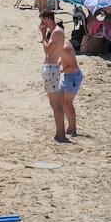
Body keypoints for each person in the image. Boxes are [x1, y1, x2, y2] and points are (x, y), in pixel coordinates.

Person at [40, 11, 68, 143]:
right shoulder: (57, 31)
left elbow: (47, 49)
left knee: (55, 103)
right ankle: (60, 132)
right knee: (54, 102)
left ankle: (60, 134)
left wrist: (43, 34)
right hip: (51, 68)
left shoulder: (56, 32)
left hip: (51, 68)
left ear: (46, 19)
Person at [58, 29, 82, 136]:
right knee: (62, 102)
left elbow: (73, 67)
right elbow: (63, 59)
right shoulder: (63, 44)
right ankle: (70, 126)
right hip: (68, 76)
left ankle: (73, 127)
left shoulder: (65, 48)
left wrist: (60, 71)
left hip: (73, 76)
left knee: (68, 103)